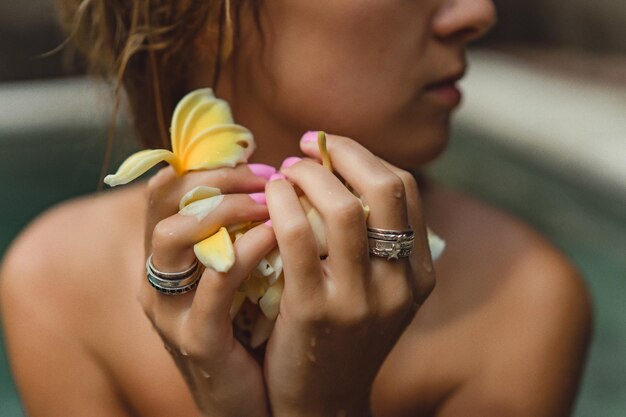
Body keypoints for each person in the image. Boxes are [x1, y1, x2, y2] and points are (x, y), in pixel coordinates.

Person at [0, 1, 592, 416]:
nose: (477, 11)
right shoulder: (56, 287)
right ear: (206, 12)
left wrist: (324, 409)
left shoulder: (523, 301)